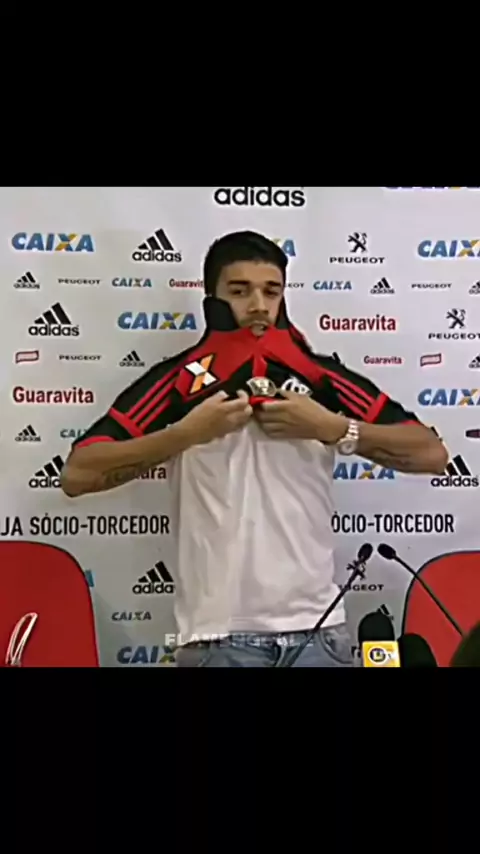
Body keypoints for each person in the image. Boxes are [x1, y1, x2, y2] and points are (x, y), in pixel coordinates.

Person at [60, 231, 448, 668]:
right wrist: (185, 434)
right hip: (218, 638)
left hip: (320, 631)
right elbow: (77, 474)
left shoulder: (320, 378)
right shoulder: (179, 381)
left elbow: (431, 454)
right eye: (240, 291)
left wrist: (333, 427)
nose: (259, 305)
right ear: (213, 298)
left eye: (271, 291)